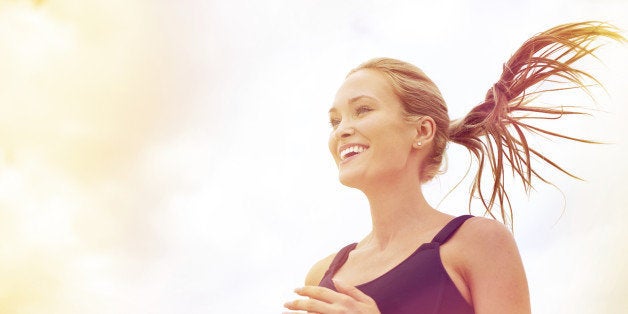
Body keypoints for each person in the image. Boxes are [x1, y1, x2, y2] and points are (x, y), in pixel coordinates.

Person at [284, 21, 623, 314]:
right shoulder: (323, 275)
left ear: (421, 131)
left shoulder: (478, 243)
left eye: (362, 110)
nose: (341, 129)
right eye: (334, 120)